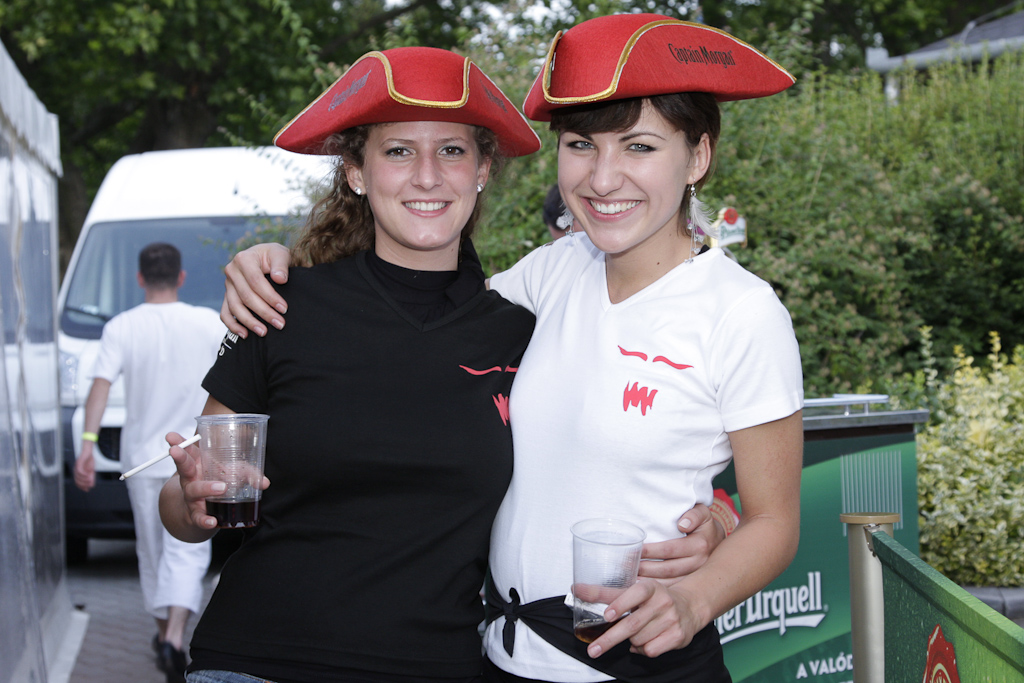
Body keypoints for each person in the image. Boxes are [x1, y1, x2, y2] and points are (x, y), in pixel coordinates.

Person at [219, 13, 804, 683]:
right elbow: (410, 312)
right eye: (581, 145)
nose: (604, 178)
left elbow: (775, 521)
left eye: (639, 147)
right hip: (500, 659)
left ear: (697, 156)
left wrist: (697, 589)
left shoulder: (742, 312)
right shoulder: (551, 275)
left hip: (640, 663)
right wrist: (276, 264)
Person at [158, 47, 544, 683]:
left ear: (482, 170)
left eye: (451, 150)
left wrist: (715, 521)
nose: (427, 176)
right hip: (256, 663)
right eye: (399, 151)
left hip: (436, 668)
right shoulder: (280, 307)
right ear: (357, 172)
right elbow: (183, 506)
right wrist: (192, 501)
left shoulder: (520, 334)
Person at [74, 242, 223, 683]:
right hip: (195, 453)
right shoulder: (206, 321)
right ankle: (175, 636)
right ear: (181, 277)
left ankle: (164, 636)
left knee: (152, 552)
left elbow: (100, 387)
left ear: (140, 278)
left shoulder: (121, 327)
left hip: (142, 459)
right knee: (188, 550)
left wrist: (87, 445)